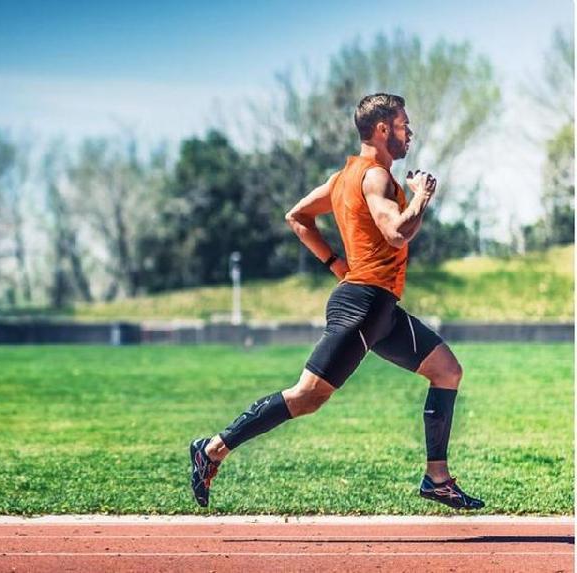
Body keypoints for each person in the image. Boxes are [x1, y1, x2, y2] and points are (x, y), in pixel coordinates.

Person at [190, 93, 484, 511]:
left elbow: (298, 216)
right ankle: (212, 450)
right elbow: (397, 232)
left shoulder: (343, 178)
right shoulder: (376, 177)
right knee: (308, 396)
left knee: (447, 370)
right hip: (363, 305)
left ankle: (437, 478)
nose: (409, 132)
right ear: (382, 129)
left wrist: (335, 264)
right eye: (403, 124)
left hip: (378, 307)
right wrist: (420, 196)